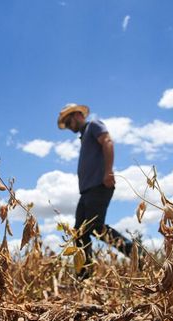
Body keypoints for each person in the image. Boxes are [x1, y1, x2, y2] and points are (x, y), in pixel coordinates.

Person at [57, 103, 138, 278]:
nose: (69, 127)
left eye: (69, 121)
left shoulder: (94, 125)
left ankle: (138, 256)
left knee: (95, 228)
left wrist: (108, 171)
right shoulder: (83, 136)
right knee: (78, 232)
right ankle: (84, 275)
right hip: (86, 191)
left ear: (78, 115)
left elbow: (107, 141)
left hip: (98, 186)